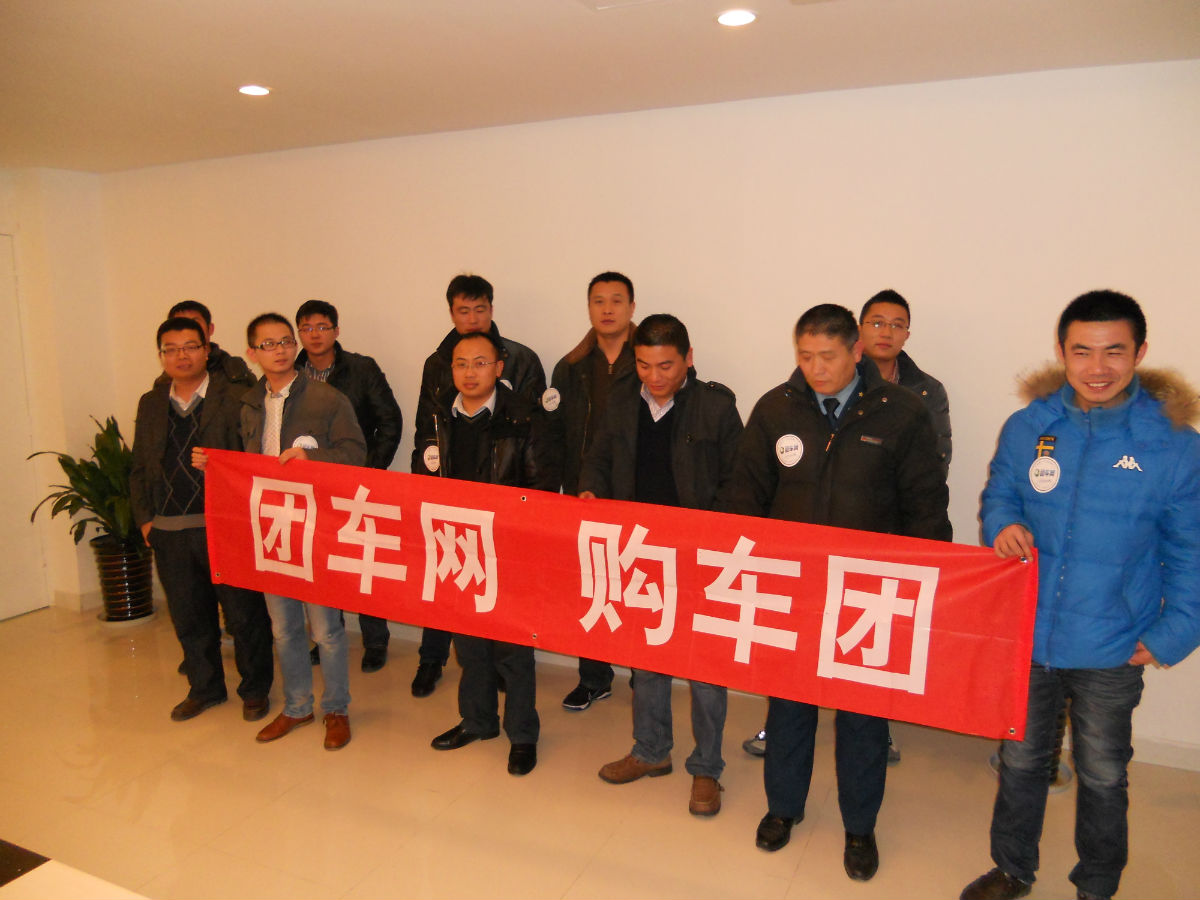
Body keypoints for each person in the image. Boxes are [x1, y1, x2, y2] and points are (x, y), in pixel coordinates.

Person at [960, 290, 1200, 900]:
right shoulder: (1030, 426)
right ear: (1062, 352)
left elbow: (1191, 550)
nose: (1097, 368)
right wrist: (1002, 523)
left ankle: (1097, 883)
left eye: (1114, 351)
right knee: (1020, 762)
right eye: (1082, 352)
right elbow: (1001, 492)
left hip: (1113, 644)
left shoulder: (1174, 444)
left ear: (1139, 353)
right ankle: (1012, 869)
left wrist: (1174, 634)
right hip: (1029, 633)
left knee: (1102, 771)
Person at [723, 304, 950, 879]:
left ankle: (859, 826)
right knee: (789, 704)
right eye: (805, 356)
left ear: (856, 351)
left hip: (868, 592)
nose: (815, 369)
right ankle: (783, 808)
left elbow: (926, 506)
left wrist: (930, 585)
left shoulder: (901, 412)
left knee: (863, 716)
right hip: (794, 587)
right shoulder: (776, 408)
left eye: (827, 356)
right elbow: (745, 497)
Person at [582, 314, 743, 817]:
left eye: (666, 366)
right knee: (645, 655)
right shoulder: (621, 401)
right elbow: (598, 458)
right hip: (640, 550)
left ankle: (707, 768)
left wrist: (711, 537)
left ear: (688, 359)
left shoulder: (716, 407)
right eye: (644, 365)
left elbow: (739, 482)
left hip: (700, 557)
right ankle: (651, 750)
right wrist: (591, 489)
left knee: (705, 668)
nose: (654, 376)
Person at [196, 313, 366, 750]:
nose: (280, 350)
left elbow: (356, 454)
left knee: (326, 630)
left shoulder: (327, 398)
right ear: (252, 353)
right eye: (268, 344)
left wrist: (314, 460)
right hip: (270, 529)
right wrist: (213, 464)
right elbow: (240, 462)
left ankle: (336, 708)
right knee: (284, 628)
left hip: (316, 528)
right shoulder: (248, 403)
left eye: (286, 341)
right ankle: (296, 706)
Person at [417, 331, 557, 775]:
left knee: (512, 651)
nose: (470, 372)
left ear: (499, 368)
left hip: (510, 550)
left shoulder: (525, 417)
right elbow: (425, 473)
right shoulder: (439, 414)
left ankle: (522, 734)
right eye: (461, 364)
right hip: (457, 545)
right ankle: (477, 721)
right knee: (469, 644)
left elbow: (541, 490)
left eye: (480, 363)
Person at [409, 274, 547, 698]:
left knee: (501, 600)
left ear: (491, 309)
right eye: (463, 311)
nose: (472, 318)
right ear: (452, 313)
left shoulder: (521, 358)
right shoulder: (438, 362)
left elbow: (536, 436)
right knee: (446, 586)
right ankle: (432, 659)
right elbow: (427, 428)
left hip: (503, 506)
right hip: (451, 501)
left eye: (479, 309)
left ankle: (502, 673)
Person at [131, 316, 274, 722]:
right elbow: (139, 465)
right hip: (169, 530)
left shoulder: (236, 397)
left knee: (244, 615)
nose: (182, 356)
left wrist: (221, 464)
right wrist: (145, 521)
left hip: (223, 525)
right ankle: (205, 688)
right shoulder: (151, 402)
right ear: (161, 356)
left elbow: (254, 459)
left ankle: (254, 690)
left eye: (190, 347)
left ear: (206, 350)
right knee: (189, 617)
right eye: (171, 349)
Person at [294, 299, 404, 673]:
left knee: (364, 562)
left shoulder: (361, 369)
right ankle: (327, 636)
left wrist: (369, 470)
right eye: (307, 328)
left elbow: (389, 421)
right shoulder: (291, 374)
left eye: (322, 326)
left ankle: (375, 641)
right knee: (322, 561)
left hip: (358, 482)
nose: (315, 334)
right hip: (311, 485)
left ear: (336, 330)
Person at [546, 271, 637, 711]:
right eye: (598, 301)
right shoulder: (570, 366)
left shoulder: (650, 359)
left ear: (632, 308)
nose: (607, 309)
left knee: (639, 584)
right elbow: (556, 435)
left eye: (616, 300)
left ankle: (644, 673)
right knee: (593, 585)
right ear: (588, 308)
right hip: (585, 491)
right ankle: (594, 677)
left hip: (637, 489)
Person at [161, 299, 256, 390]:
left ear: (210, 328)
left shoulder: (234, 371)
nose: (188, 330)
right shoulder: (164, 380)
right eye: (181, 324)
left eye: (195, 323)